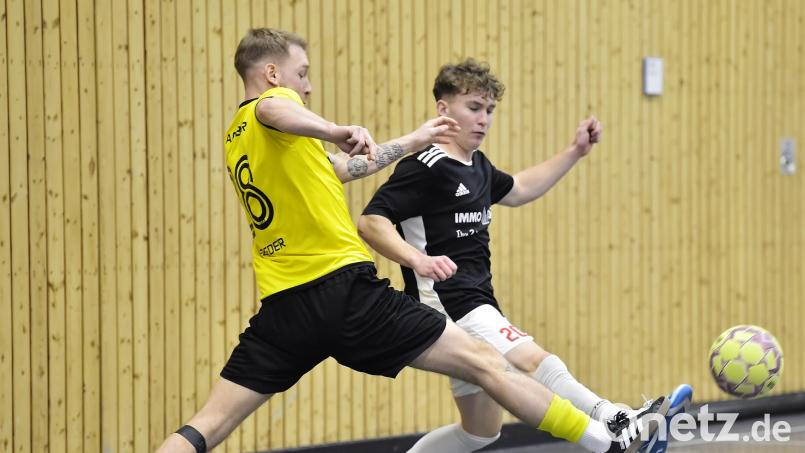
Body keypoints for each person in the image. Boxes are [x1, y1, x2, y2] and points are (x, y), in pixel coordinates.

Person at [156, 29, 668, 453]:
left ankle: (609, 430)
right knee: (493, 363)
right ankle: (610, 437)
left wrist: (411, 138)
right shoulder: (275, 109)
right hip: (345, 290)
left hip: (284, 307)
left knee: (208, 426)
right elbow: (279, 113)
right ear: (271, 74)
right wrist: (334, 127)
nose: (306, 86)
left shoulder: (238, 139)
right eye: (302, 73)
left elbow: (342, 170)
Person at [358, 58, 692, 453]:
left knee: (480, 432)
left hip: (475, 299)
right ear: (443, 109)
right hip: (449, 301)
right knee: (534, 359)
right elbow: (370, 221)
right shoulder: (427, 166)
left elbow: (518, 189)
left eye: (490, 110)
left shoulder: (477, 165)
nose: (484, 119)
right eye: (474, 108)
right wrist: (419, 261)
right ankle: (616, 420)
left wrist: (574, 152)